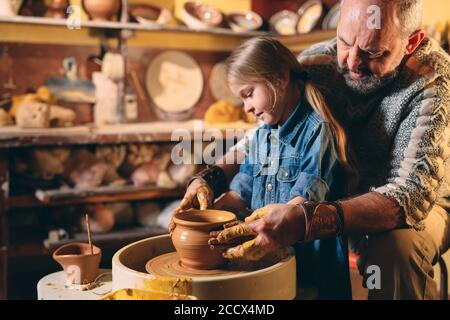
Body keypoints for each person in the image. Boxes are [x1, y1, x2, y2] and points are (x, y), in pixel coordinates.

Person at [174, 0, 450, 300]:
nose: (352, 62)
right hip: (339, 191)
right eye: (344, 41)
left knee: (394, 250)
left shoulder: (432, 79)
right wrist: (211, 178)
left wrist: (308, 219)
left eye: (372, 52)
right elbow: (266, 135)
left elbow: (410, 196)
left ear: (412, 41)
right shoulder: (318, 63)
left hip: (421, 203)